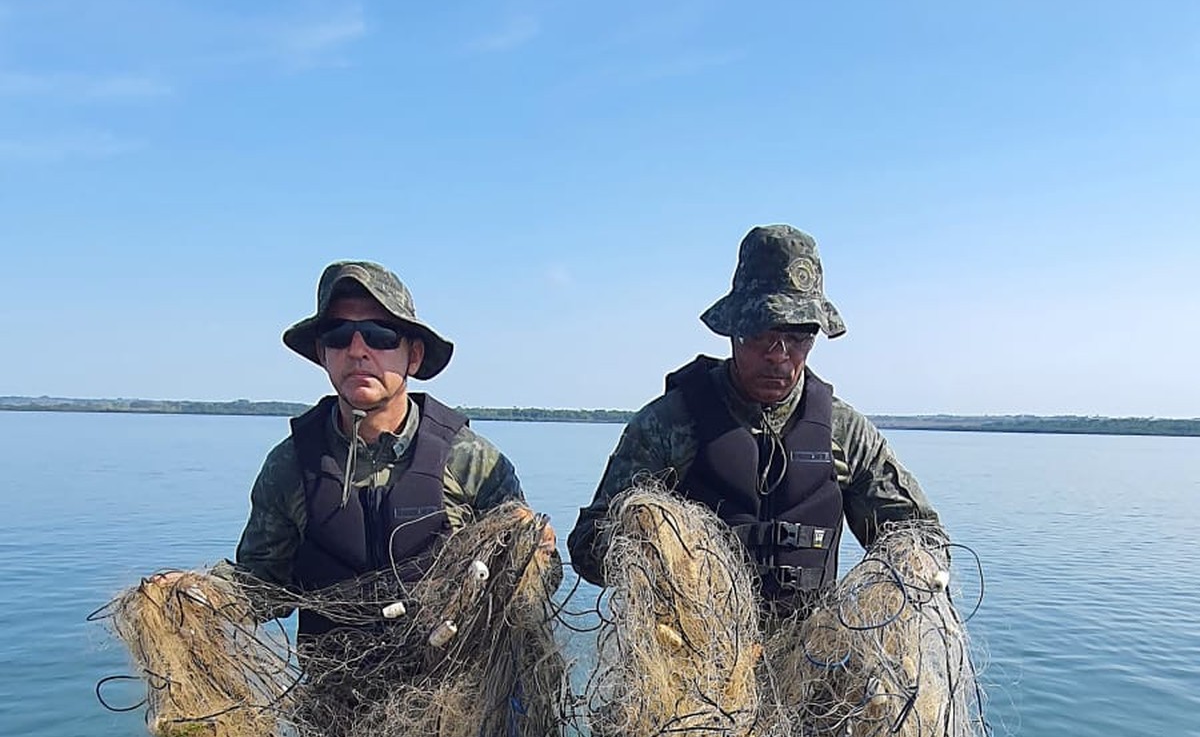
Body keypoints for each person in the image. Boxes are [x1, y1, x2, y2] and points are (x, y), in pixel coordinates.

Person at [567, 226, 947, 614]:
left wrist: (910, 569)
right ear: (734, 330)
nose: (778, 355)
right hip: (691, 659)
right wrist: (651, 542)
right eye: (762, 332)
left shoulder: (845, 432)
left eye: (799, 336)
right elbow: (587, 547)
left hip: (810, 659)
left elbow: (924, 540)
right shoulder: (668, 425)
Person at [236, 260, 551, 638]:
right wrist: (195, 594)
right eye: (338, 334)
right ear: (322, 353)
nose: (357, 350)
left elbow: (541, 586)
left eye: (379, 334)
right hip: (331, 694)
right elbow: (259, 588)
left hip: (457, 689)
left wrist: (536, 553)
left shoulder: (471, 461)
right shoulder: (289, 467)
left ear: (413, 355)